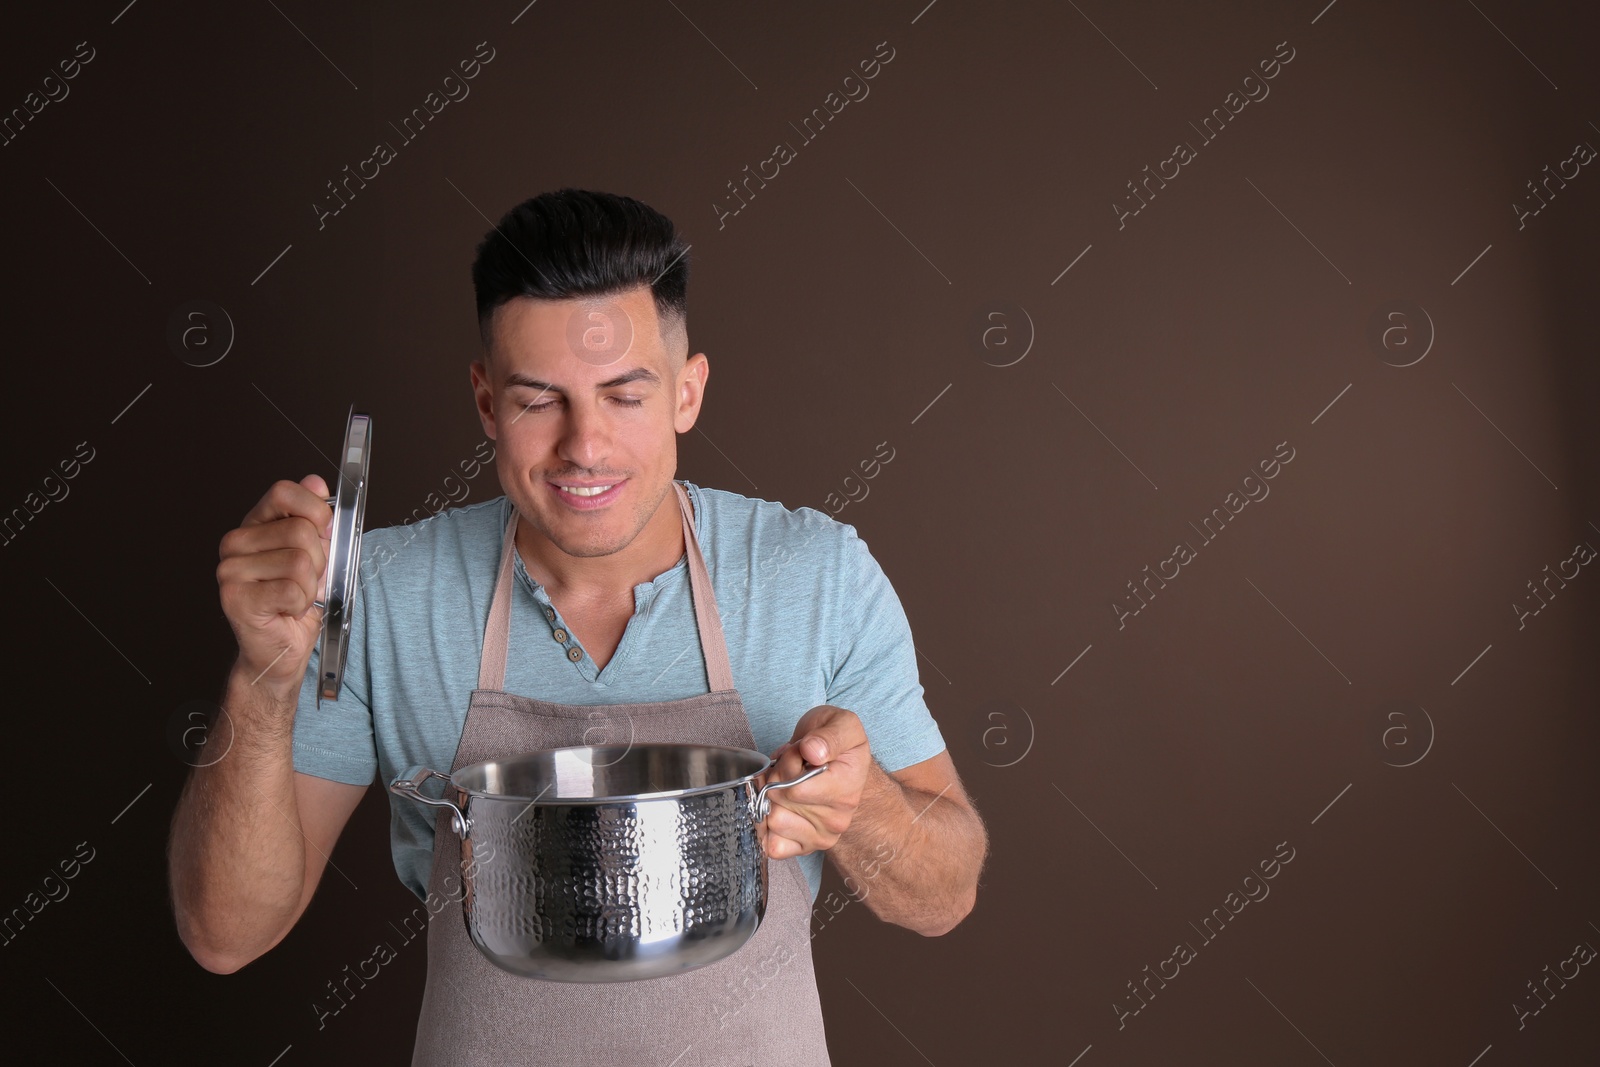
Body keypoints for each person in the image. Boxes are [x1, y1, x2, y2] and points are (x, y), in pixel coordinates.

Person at [167, 188, 989, 1065]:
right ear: (487, 403)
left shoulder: (815, 576)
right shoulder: (387, 591)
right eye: (539, 400)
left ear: (687, 392)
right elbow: (225, 935)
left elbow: (944, 894)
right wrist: (264, 678)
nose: (584, 446)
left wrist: (859, 804)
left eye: (624, 396)